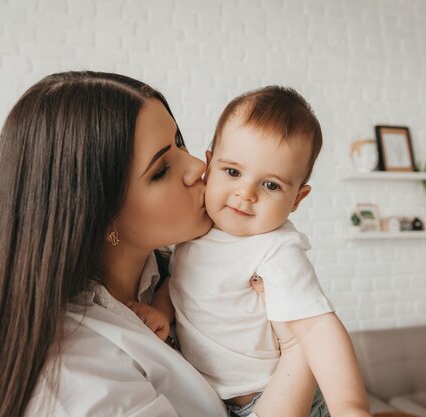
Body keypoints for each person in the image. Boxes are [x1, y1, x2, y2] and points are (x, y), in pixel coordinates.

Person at [0, 71, 229, 417]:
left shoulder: (182, 270)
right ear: (99, 216)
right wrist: (302, 347)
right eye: (161, 169)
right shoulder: (76, 374)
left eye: (180, 142)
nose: (198, 167)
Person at [130, 86, 372, 417]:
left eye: (271, 185)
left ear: (297, 200)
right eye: (233, 172)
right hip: (216, 400)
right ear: (210, 165)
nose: (245, 194)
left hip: (272, 394)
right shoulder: (194, 231)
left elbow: (318, 329)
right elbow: (182, 284)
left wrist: (349, 405)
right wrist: (161, 311)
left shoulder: (275, 248)